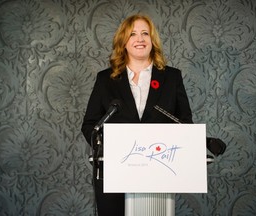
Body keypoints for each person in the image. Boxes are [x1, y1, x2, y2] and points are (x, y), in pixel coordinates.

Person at [81, 14, 193, 216]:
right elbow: (90, 124)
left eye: (145, 33)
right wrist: (108, 145)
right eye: (132, 34)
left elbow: (184, 121)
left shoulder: (171, 77)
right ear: (123, 41)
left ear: (152, 40)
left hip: (159, 170)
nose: (139, 39)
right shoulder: (105, 79)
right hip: (113, 170)